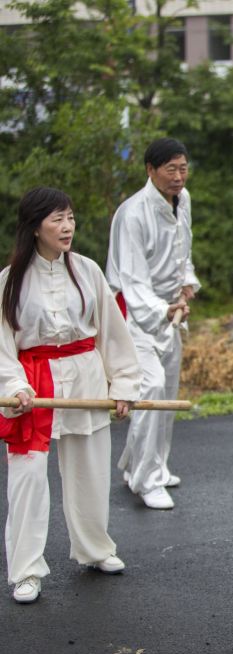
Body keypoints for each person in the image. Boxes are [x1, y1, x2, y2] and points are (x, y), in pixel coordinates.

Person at [1, 187, 142, 604]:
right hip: (32, 386)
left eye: (71, 218)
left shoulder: (87, 271)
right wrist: (14, 387)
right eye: (57, 220)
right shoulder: (8, 282)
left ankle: (95, 548)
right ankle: (25, 570)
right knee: (27, 480)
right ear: (34, 227)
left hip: (85, 378)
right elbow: (3, 346)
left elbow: (113, 334)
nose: (67, 228)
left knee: (90, 470)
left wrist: (124, 386)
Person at [107, 138, 199, 511]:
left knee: (168, 388)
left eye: (183, 168)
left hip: (171, 309)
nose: (179, 176)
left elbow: (183, 249)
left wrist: (187, 280)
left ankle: (152, 466)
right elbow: (131, 278)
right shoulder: (133, 213)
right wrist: (161, 309)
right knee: (151, 388)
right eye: (171, 169)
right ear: (150, 170)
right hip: (134, 312)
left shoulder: (184, 200)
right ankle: (145, 481)